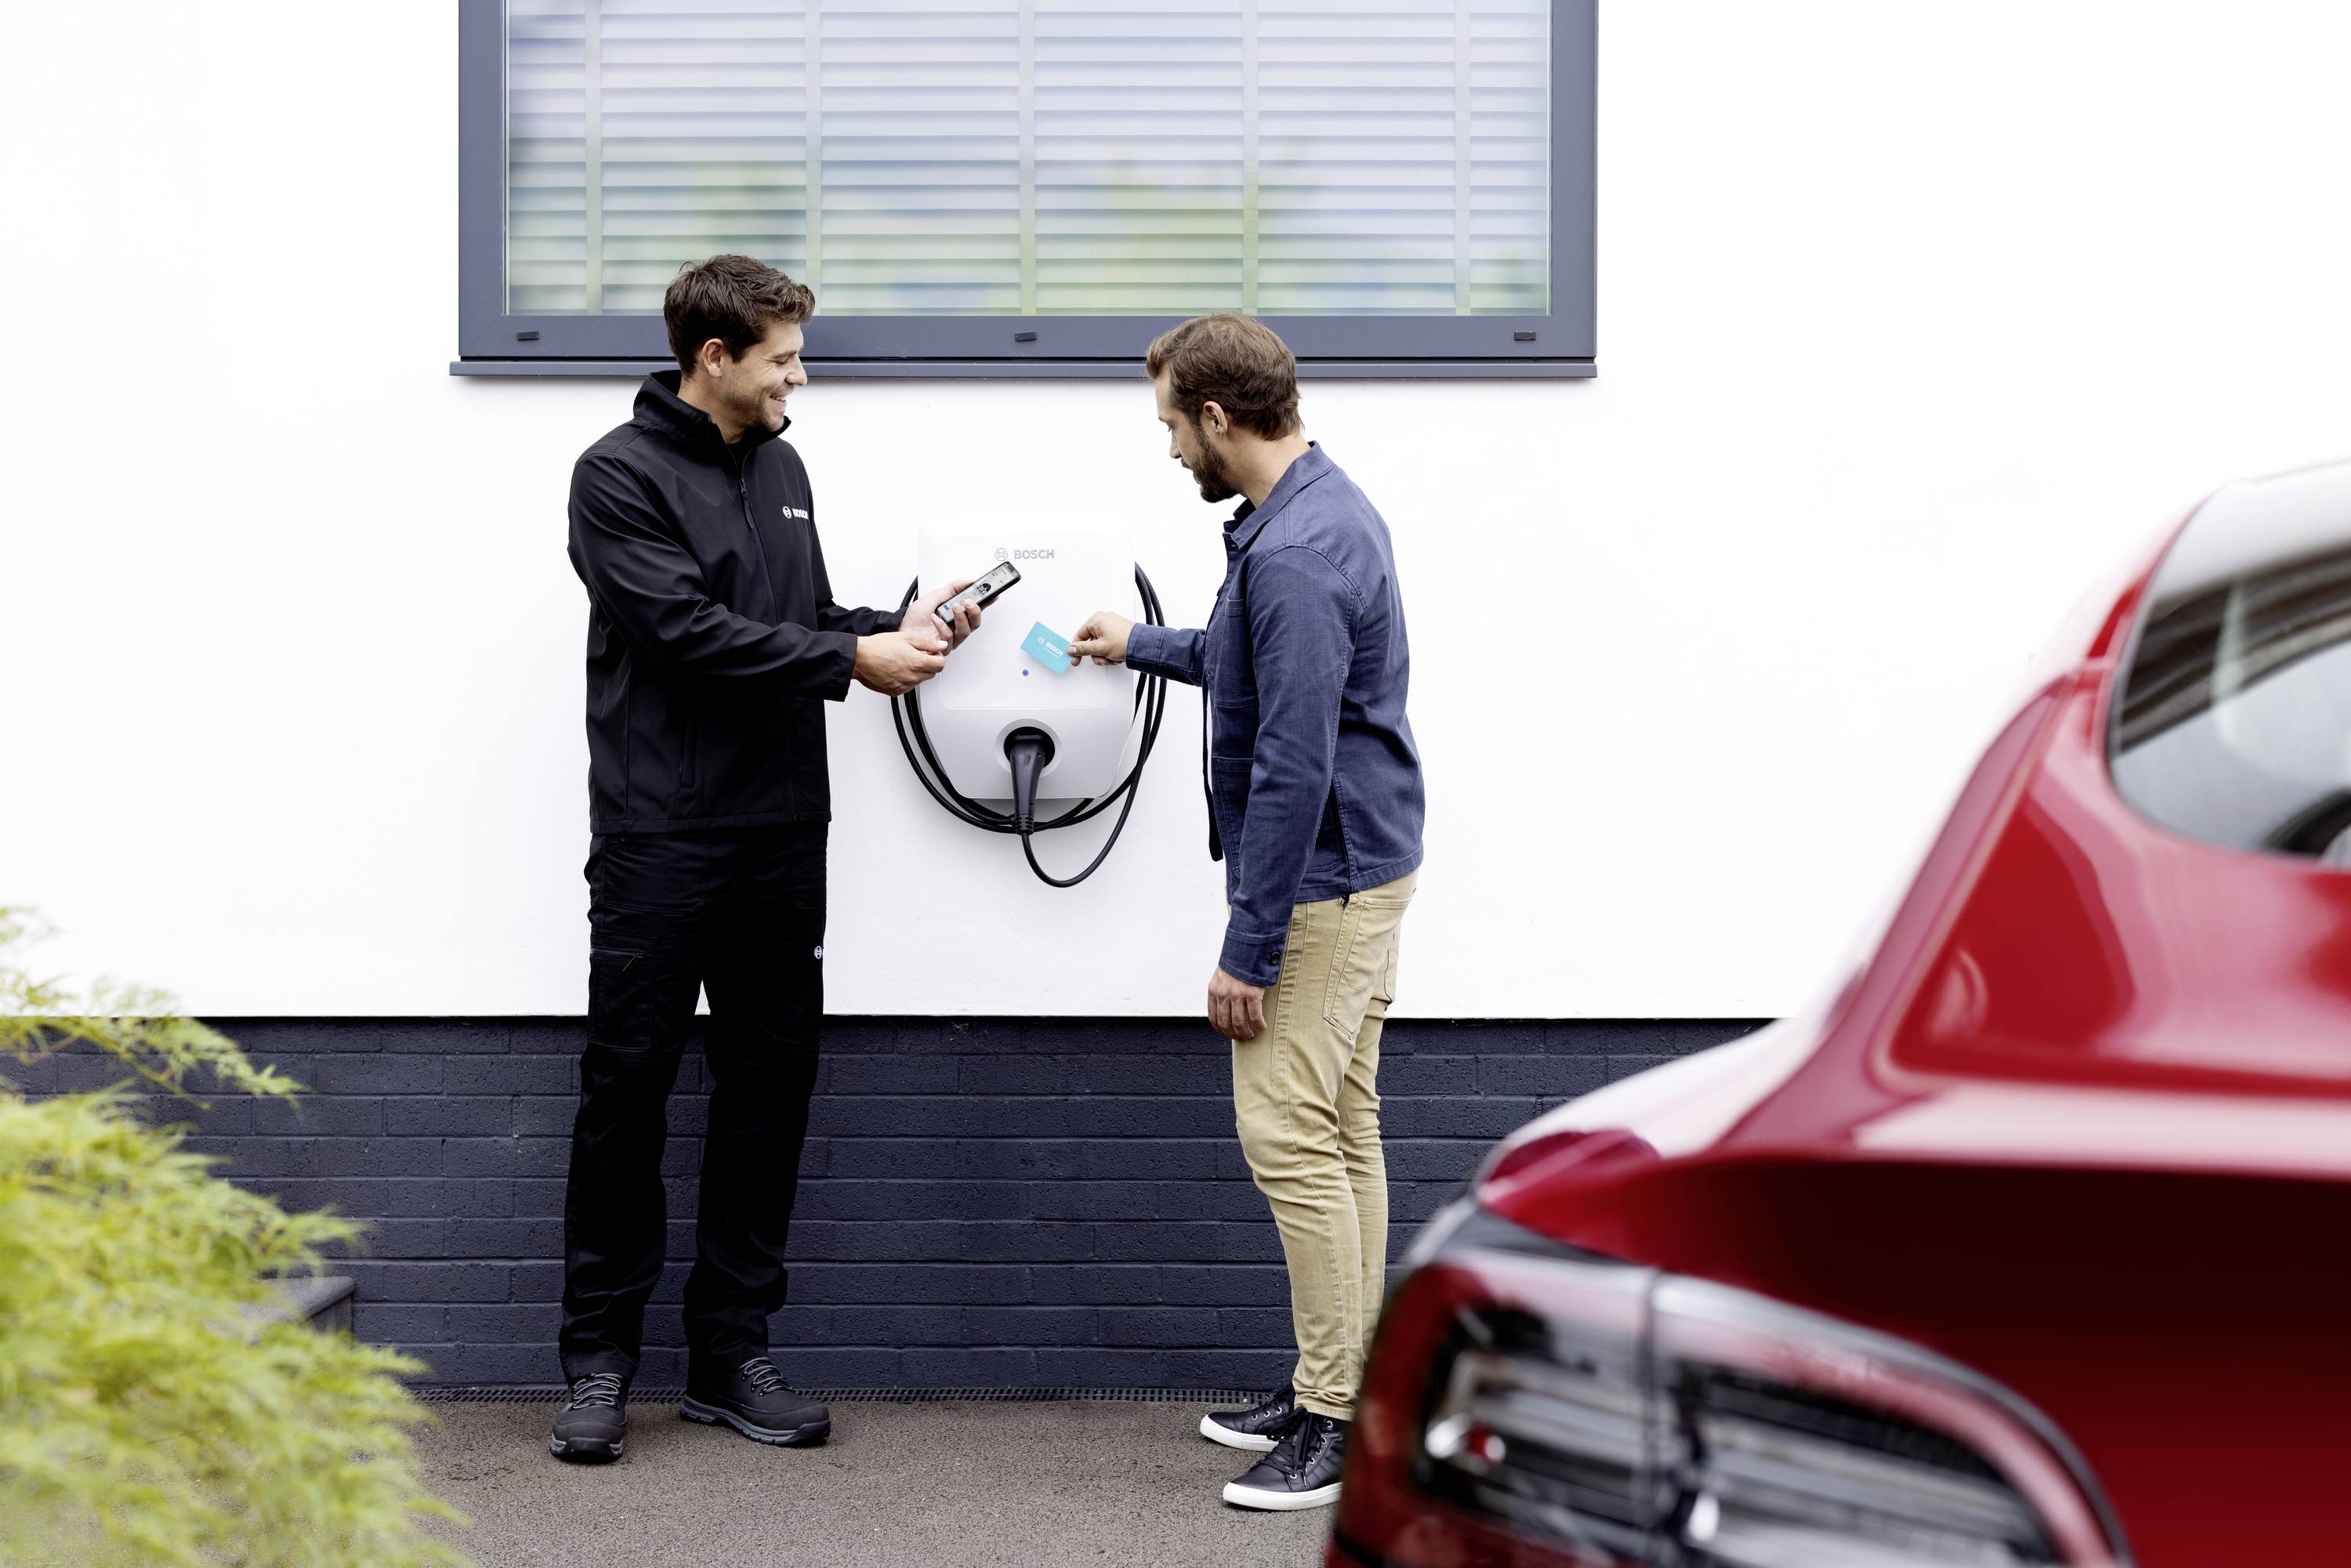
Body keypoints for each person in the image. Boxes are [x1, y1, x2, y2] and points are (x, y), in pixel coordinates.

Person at [549, 255, 981, 1463]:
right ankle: (596, 1365)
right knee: (625, 1097)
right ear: (715, 359)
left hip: (783, 831)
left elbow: (791, 622)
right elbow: (684, 635)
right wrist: (849, 664)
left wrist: (897, 626)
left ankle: (731, 1355)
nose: (802, 374)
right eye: (785, 356)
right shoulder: (615, 475)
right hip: (661, 835)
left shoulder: (785, 467)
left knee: (766, 1095)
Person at [1070, 313, 1425, 1511]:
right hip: (1360, 867)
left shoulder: (1292, 553)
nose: (1171, 446)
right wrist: (1144, 644)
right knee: (1342, 1129)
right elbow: (1263, 658)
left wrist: (1246, 948)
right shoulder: (1312, 509)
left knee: (1293, 1143)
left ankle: (1334, 1421)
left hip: (1321, 886)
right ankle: (1346, 1377)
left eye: (1173, 422)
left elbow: (1293, 762)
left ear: (1218, 417)